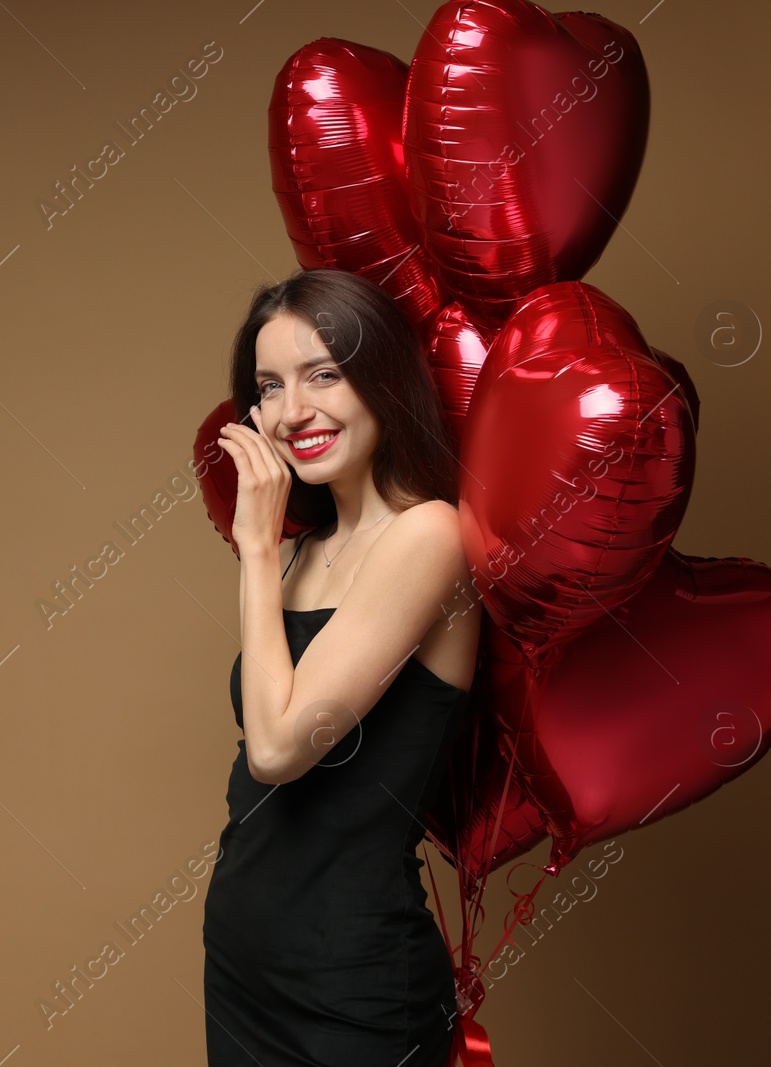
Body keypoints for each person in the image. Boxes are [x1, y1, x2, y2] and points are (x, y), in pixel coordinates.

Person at [203, 268, 479, 1066]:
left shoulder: (429, 536)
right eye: (270, 386)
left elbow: (281, 747)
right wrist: (270, 553)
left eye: (325, 373)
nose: (294, 412)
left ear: (383, 376)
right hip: (245, 963)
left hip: (351, 982)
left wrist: (254, 549)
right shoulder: (305, 553)